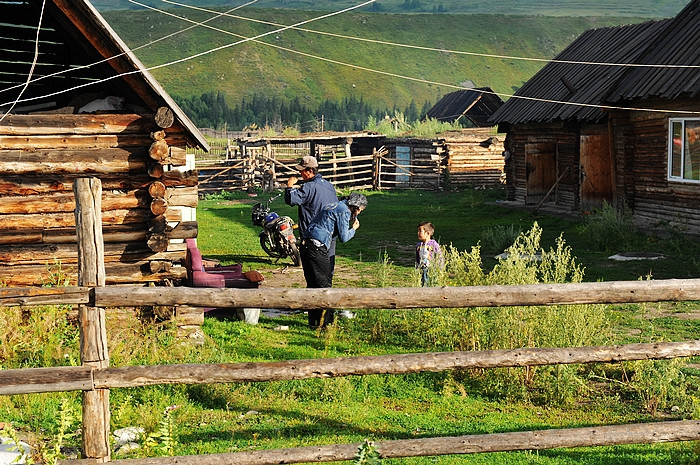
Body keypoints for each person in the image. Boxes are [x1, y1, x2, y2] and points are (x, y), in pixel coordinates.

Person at [300, 192, 368, 328]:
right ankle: (327, 323)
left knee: (313, 284)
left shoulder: (334, 205)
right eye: (360, 210)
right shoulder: (344, 211)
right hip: (317, 247)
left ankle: (314, 322)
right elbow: (344, 237)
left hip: (305, 244)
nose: (359, 213)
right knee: (325, 284)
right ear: (357, 207)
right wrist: (353, 229)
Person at [285, 155, 338, 271]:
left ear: (309, 171)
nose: (300, 174)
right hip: (330, 232)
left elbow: (291, 199)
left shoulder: (308, 187)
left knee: (313, 270)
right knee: (328, 268)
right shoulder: (329, 185)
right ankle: (327, 287)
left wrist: (289, 186)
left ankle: (316, 289)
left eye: (301, 171)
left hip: (313, 236)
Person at [415, 221, 443, 287]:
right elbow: (417, 258)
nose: (418, 233)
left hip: (431, 269)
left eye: (420, 231)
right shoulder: (419, 246)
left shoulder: (433, 244)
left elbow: (440, 257)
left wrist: (440, 269)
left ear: (427, 233)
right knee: (422, 284)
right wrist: (417, 268)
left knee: (430, 284)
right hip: (421, 269)